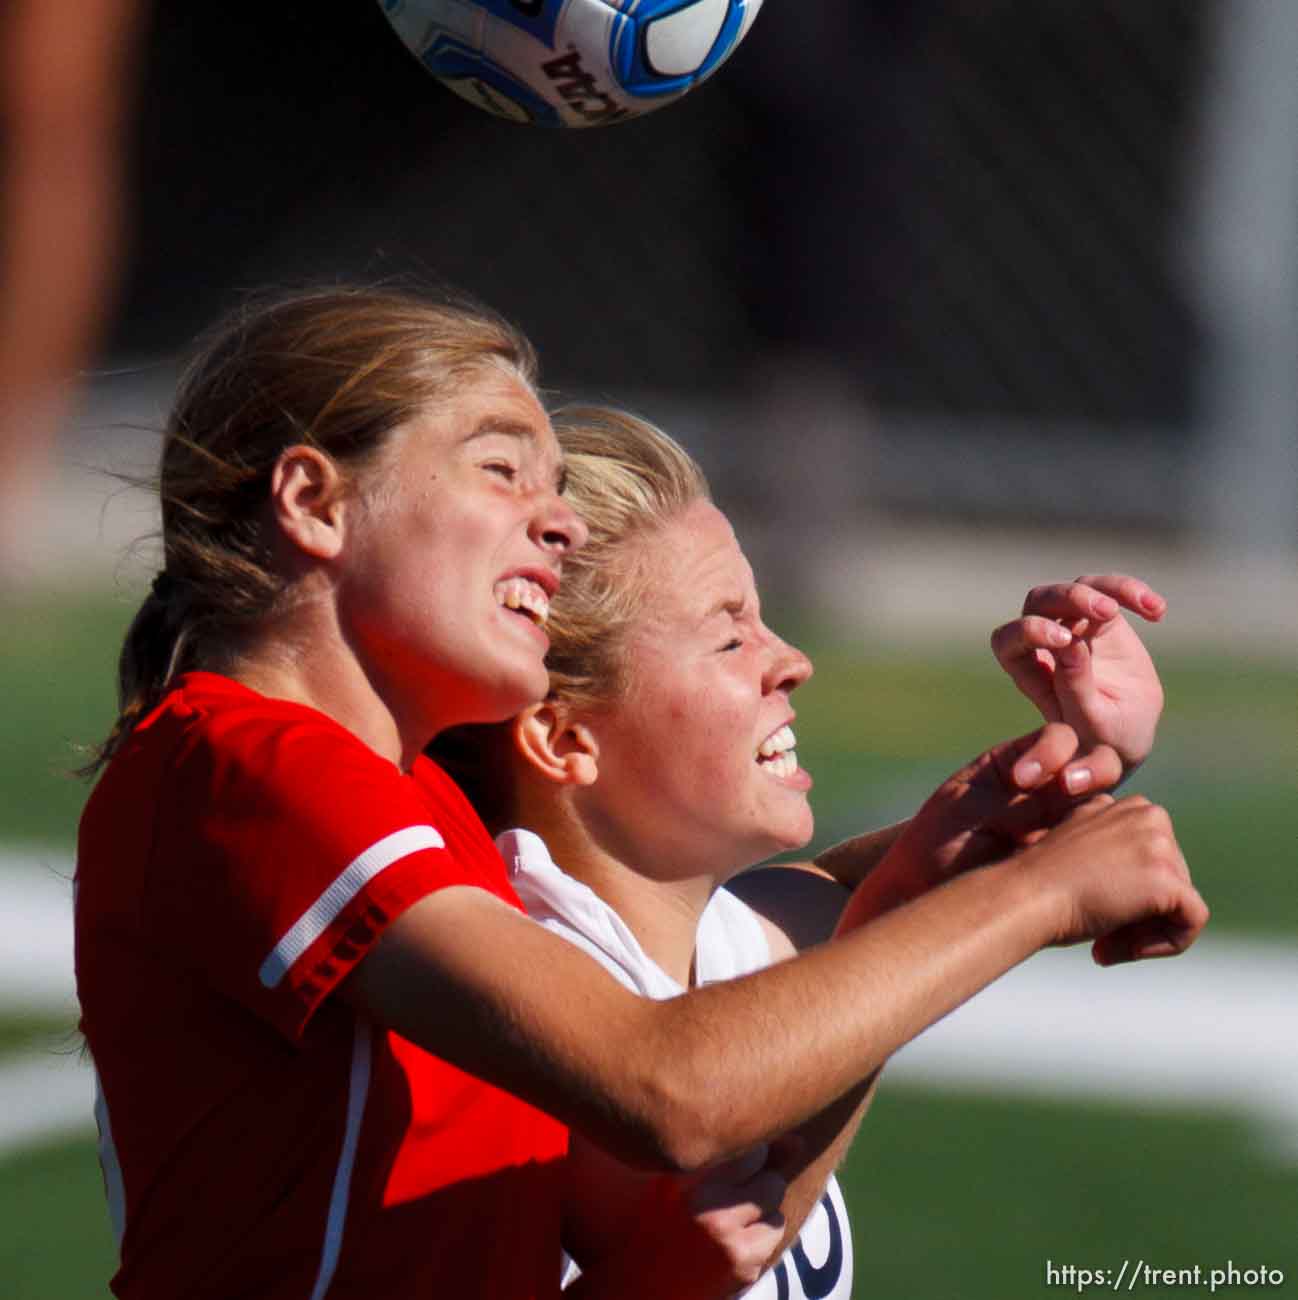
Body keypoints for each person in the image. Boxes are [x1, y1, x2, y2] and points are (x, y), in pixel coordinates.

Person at [74, 285, 1207, 1300]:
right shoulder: (244, 760)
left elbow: (691, 1194)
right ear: (315, 501)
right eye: (501, 467)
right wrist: (1036, 894)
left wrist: (1039, 795)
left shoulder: (421, 809)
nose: (554, 522)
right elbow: (673, 1090)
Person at [430, 406, 1180, 1297]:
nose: (792, 661)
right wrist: (1043, 892)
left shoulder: (726, 937)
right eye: (729, 634)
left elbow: (871, 892)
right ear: (564, 742)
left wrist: (1077, 753)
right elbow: (711, 1109)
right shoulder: (532, 1014)